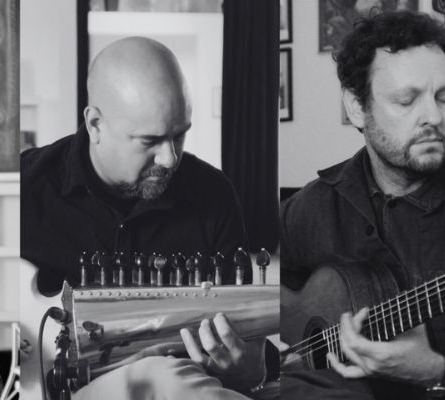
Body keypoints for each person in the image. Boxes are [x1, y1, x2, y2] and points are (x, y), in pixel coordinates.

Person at [280, 11, 445, 400]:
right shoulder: (306, 209)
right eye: (406, 100)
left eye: (444, 96)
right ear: (356, 107)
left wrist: (442, 370)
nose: (433, 116)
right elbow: (270, 310)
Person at [21, 37, 267, 399]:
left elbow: (250, 360)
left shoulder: (214, 196)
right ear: (95, 125)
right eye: (149, 141)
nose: (169, 158)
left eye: (180, 135)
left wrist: (248, 369)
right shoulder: (26, 187)